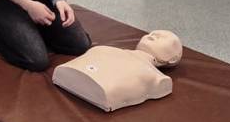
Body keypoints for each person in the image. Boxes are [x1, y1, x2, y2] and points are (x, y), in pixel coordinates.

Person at [53, 30, 183, 112]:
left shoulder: (158, 79)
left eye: (163, 38)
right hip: (66, 72)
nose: (153, 35)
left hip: (100, 93)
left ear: (172, 59)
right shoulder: (103, 49)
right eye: (152, 33)